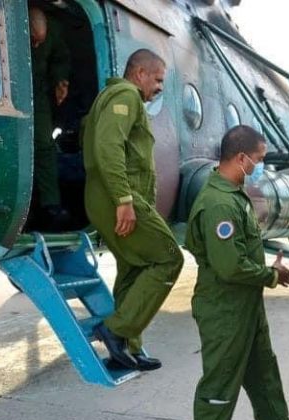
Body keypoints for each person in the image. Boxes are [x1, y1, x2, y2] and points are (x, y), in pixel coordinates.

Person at [185, 125, 289, 420]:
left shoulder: (232, 192)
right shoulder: (219, 203)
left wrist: (264, 275)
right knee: (220, 381)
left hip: (245, 304)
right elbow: (229, 266)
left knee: (262, 368)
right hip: (224, 308)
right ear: (242, 158)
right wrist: (270, 275)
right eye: (258, 160)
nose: (260, 166)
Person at [82, 49, 183, 371]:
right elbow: (108, 145)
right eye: (157, 79)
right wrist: (124, 200)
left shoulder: (120, 98)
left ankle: (127, 347)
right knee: (169, 259)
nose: (159, 87)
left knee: (134, 268)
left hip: (111, 195)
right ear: (139, 73)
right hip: (116, 196)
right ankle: (114, 331)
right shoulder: (125, 95)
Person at [29, 5, 71, 231]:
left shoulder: (54, 30)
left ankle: (50, 205)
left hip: (40, 93)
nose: (36, 45)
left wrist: (61, 80)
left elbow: (61, 58)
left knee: (45, 146)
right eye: (32, 40)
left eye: (40, 42)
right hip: (9, 88)